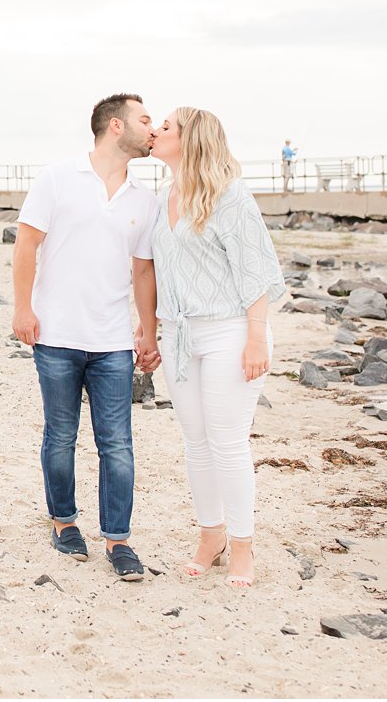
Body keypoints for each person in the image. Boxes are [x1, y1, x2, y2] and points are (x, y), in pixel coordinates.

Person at [11, 93, 160, 582]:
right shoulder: (57, 178)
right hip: (56, 332)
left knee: (117, 443)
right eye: (144, 119)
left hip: (114, 339)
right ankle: (64, 524)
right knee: (61, 435)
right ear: (115, 126)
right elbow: (27, 245)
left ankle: (118, 540)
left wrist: (148, 331)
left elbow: (143, 272)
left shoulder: (144, 196)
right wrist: (23, 308)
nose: (152, 127)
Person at [137, 107, 286, 588]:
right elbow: (155, 271)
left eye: (165, 127)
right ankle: (211, 536)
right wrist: (149, 330)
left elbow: (255, 270)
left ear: (191, 139)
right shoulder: (165, 197)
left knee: (227, 442)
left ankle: (243, 545)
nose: (155, 131)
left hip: (230, 331)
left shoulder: (231, 195)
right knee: (195, 443)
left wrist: (257, 337)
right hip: (181, 335)